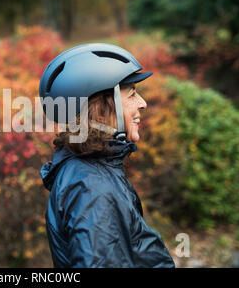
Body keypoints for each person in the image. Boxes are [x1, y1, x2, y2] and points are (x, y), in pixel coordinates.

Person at [39, 43, 175, 267]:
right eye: (131, 95)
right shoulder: (92, 186)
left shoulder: (91, 171)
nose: (143, 103)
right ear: (102, 108)